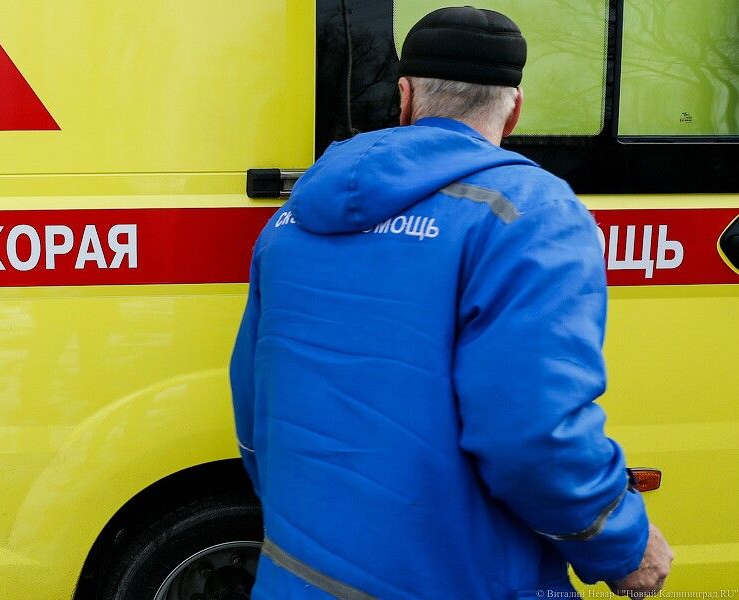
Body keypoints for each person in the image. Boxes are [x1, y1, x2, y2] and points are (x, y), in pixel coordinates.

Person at [230, 6, 673, 598]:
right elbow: (533, 435)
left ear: (405, 96)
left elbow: (253, 407)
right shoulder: (530, 213)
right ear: (514, 110)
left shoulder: (293, 218)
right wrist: (620, 540)